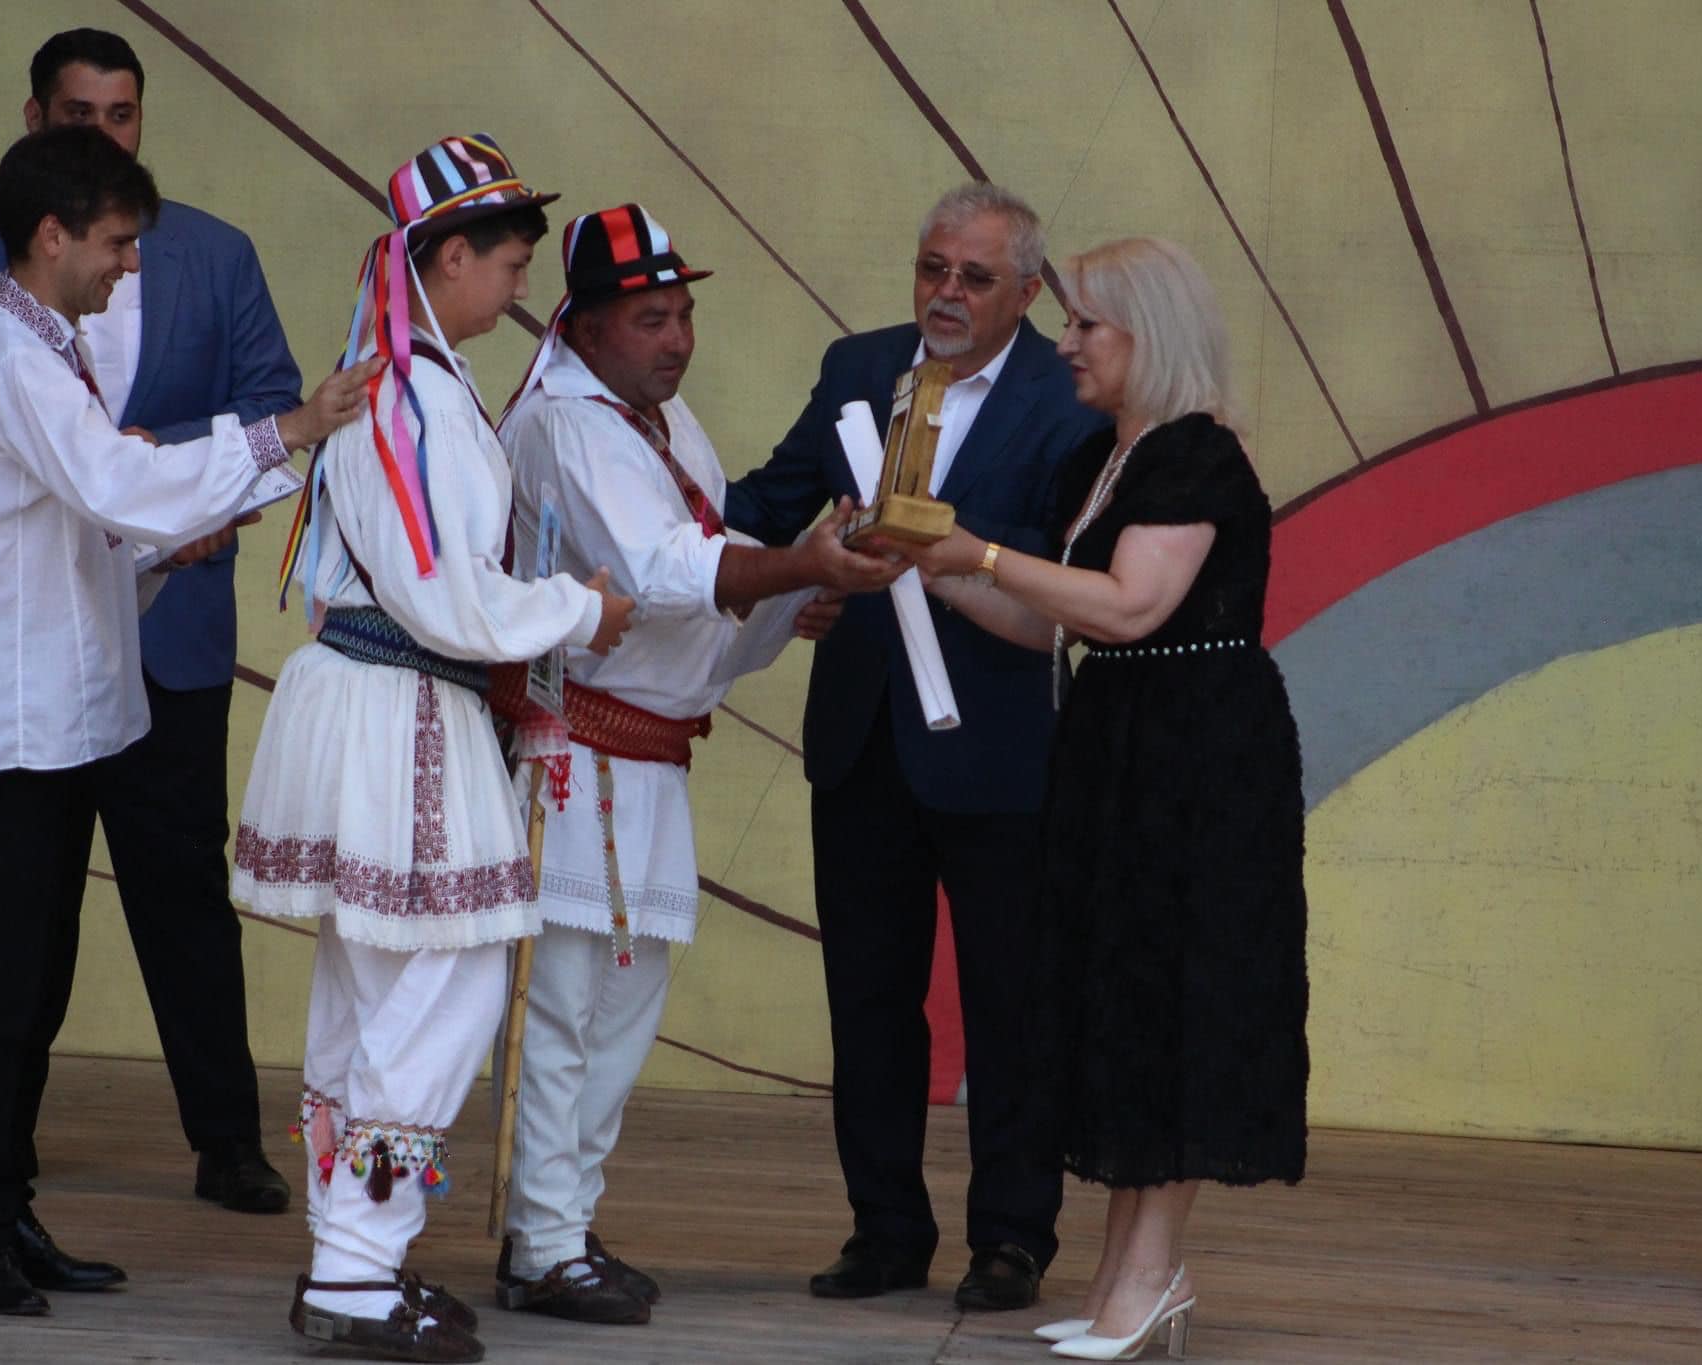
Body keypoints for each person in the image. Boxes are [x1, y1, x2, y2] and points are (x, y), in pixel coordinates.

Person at [0, 124, 369, 1318]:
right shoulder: (13, 360)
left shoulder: (46, 350)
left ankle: (4, 1211)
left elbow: (95, 525)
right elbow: (119, 486)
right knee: (0, 990)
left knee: (33, 983)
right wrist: (289, 432)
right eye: (116, 242)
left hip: (52, 719)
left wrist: (179, 533)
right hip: (5, 728)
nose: (129, 265)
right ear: (51, 236)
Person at [0, 27, 300, 1215]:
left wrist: (144, 476)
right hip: (14, 665)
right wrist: (25, 457)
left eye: (122, 116)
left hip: (142, 633)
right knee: (14, 940)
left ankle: (210, 1147)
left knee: (177, 898)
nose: (103, 136)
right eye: (79, 116)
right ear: (37, 138)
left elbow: (169, 444)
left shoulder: (205, 255)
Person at [230, 135, 633, 1364]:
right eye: (508, 263)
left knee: (379, 986)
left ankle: (348, 1258)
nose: (518, 287)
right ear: (448, 256)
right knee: (444, 981)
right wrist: (578, 609)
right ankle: (355, 1265)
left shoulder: (409, 382)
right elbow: (442, 595)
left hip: (381, 699)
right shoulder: (408, 395)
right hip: (399, 706)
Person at [887, 236, 1309, 1360]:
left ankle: (1150, 1274)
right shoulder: (1107, 456)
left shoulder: (1196, 454)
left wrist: (977, 555)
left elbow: (1128, 606)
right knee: (1121, 1001)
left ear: (1147, 336)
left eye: (1086, 326)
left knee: (1176, 1006)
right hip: (1118, 748)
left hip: (1197, 761)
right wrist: (929, 565)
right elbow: (1054, 622)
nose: (1066, 344)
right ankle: (1130, 1275)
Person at [492, 204, 905, 1326]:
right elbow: (665, 565)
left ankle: (560, 1227)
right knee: (562, 1013)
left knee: (617, 1015)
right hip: (575, 755)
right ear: (583, 325)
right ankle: (541, 1241)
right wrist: (794, 567)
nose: (675, 339)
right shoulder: (567, 424)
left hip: (647, 761)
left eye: (682, 315)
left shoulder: (661, 422)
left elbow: (702, 613)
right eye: (650, 318)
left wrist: (787, 600)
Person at [726, 183, 1109, 1310]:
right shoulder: (858, 367)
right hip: (862, 738)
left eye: (974, 277)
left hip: (1002, 746)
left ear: (1027, 294)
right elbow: (765, 504)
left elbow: (1065, 572)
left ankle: (1012, 1237)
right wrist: (638, 491)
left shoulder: (1068, 398)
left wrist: (934, 550)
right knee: (868, 1000)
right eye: (931, 267)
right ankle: (885, 1229)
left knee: (1011, 1005)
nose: (945, 293)